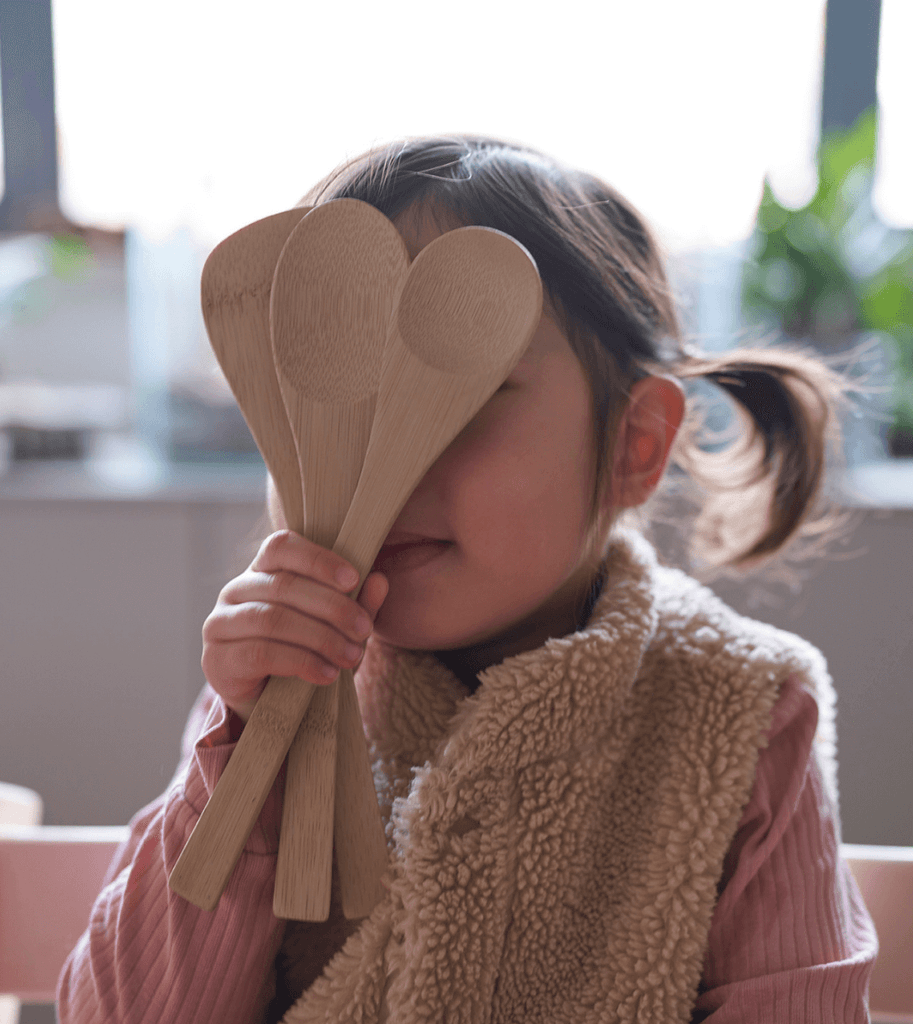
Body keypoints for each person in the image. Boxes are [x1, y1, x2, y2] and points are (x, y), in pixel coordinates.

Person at [57, 135, 878, 1023]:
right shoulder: (268, 706)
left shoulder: (743, 716)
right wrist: (247, 758)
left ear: (633, 447)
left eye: (463, 400)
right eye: (341, 407)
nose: (389, 464)